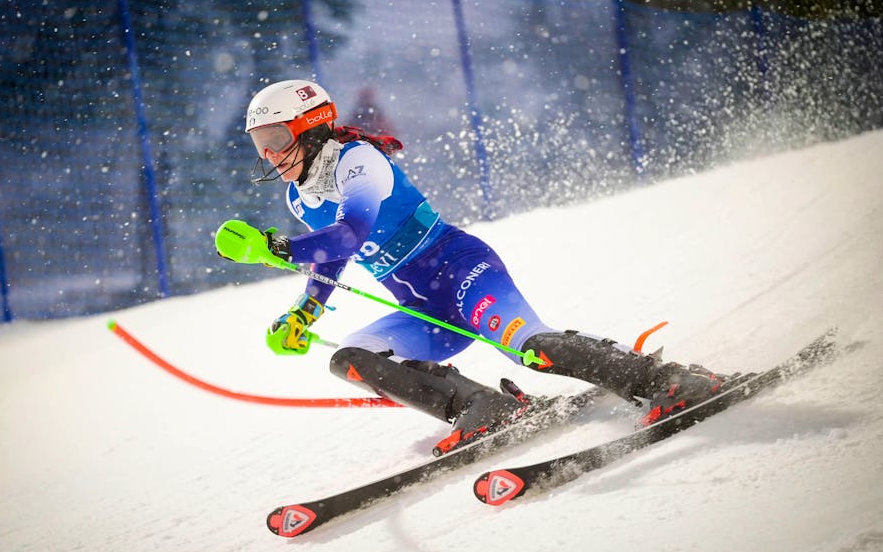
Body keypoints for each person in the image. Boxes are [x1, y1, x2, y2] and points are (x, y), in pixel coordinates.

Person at [215, 79, 732, 453]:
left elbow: (351, 233)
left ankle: (665, 380)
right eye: (261, 146)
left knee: (534, 350)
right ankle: (482, 408)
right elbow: (333, 255)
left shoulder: (357, 161)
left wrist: (277, 248)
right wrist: (305, 311)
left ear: (309, 129)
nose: (271, 155)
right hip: (421, 310)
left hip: (464, 275)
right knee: (350, 359)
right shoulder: (298, 195)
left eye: (277, 140)